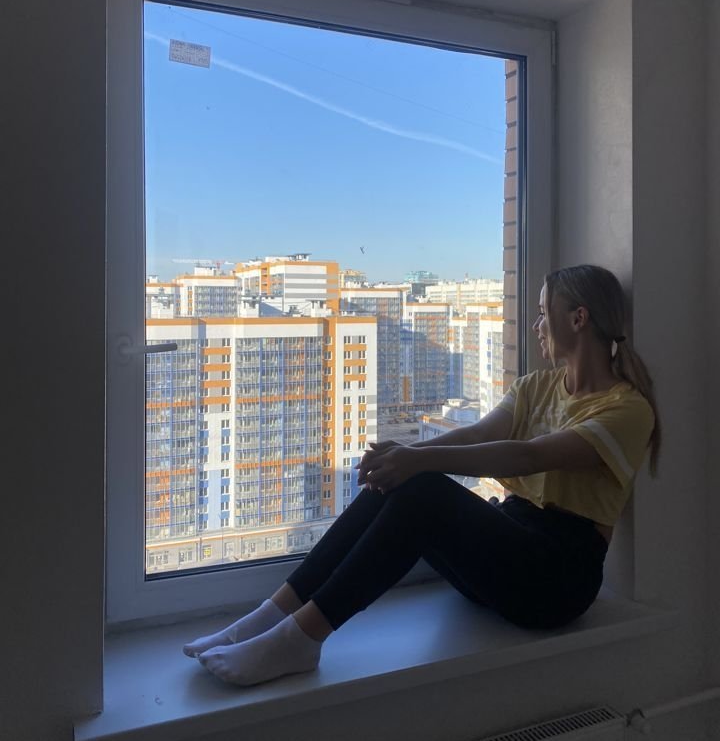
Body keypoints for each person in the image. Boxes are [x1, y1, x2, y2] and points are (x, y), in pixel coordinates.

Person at [183, 264, 660, 687]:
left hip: (556, 581)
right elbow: (478, 435)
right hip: (506, 556)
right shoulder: (538, 386)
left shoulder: (628, 410)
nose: (537, 325)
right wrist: (405, 456)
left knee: (423, 488)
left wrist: (419, 461)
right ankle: (270, 616)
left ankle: (299, 640)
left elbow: (527, 457)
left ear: (578, 319)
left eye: (542, 313)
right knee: (404, 478)